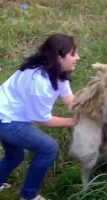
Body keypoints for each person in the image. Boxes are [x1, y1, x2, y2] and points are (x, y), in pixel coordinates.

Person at [0, 33, 80, 200]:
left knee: (15, 156)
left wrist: (90, 112)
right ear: (59, 56)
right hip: (7, 121)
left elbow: (70, 101)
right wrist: (73, 121)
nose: (77, 57)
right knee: (48, 148)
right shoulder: (40, 83)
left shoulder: (57, 72)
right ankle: (29, 195)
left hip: (6, 113)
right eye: (73, 54)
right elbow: (42, 120)